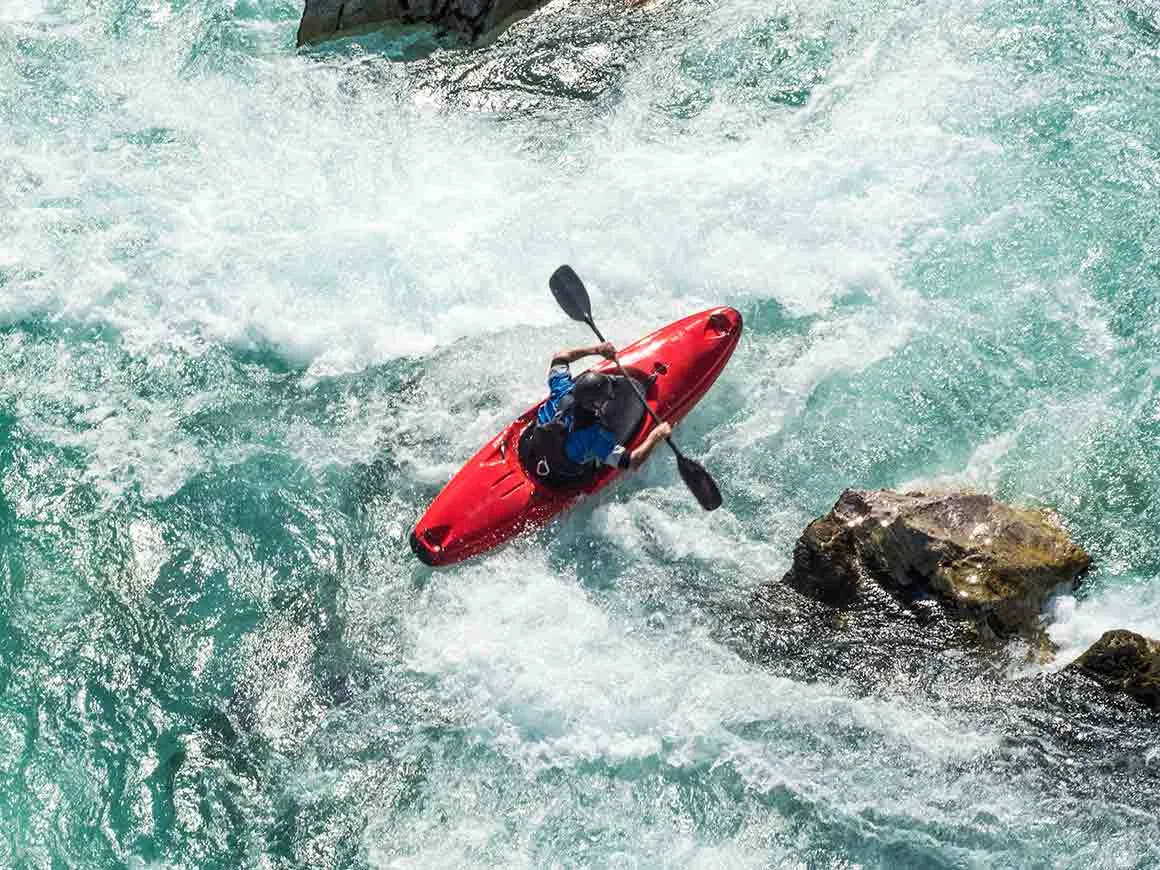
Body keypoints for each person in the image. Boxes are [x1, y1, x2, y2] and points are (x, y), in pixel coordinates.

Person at [531, 341, 671, 479]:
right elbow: (632, 462)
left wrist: (596, 349)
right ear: (596, 405)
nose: (610, 397)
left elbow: (560, 357)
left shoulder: (562, 388)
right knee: (597, 456)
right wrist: (656, 436)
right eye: (607, 397)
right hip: (561, 473)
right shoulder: (594, 436)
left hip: (533, 447)